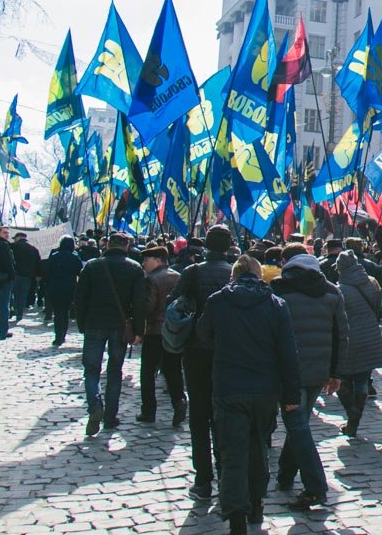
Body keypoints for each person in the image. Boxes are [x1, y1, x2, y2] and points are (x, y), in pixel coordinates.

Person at [197, 254, 301, 535]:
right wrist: (291, 394)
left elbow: (202, 335)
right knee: (258, 448)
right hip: (265, 389)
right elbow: (288, 353)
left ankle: (237, 517)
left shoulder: (218, 301)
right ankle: (256, 504)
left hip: (229, 387)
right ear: (259, 275)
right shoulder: (276, 304)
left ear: (233, 275)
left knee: (232, 453)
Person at [270, 250, 348, 511]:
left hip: (287, 371)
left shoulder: (278, 290)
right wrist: (336, 371)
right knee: (298, 423)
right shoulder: (332, 291)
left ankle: (315, 487)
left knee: (298, 425)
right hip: (318, 370)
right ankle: (285, 474)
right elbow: (341, 335)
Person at [170, 225, 241, 500]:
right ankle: (224, 471)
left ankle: (202, 479)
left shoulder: (193, 271)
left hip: (196, 351)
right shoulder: (234, 273)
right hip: (228, 352)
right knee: (224, 412)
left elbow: (173, 303)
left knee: (199, 414)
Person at [73, 232, 147, 437]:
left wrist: (82, 324)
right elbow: (139, 303)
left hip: (94, 323)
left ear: (108, 245)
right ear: (126, 246)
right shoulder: (134, 268)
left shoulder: (92, 266)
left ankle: (95, 403)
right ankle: (110, 416)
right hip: (119, 325)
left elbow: (80, 298)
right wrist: (139, 330)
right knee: (115, 371)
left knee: (91, 369)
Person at [334, 250, 382, 438]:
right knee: (362, 379)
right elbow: (378, 307)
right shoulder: (372, 283)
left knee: (342, 379)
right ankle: (354, 420)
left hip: (348, 338)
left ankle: (351, 412)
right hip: (370, 335)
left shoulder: (339, 289)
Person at [137, 246, 186, 426]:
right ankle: (179, 401)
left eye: (147, 260)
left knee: (148, 372)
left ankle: (148, 410)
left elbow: (148, 308)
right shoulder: (178, 276)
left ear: (158, 260)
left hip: (155, 332)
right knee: (173, 370)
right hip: (174, 332)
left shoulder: (151, 279)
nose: (144, 264)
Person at [45, 236, 83, 347]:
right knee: (65, 312)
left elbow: (48, 272)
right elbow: (80, 272)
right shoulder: (75, 257)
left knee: (57, 313)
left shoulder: (54, 256)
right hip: (69, 287)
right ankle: (63, 335)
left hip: (55, 286)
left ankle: (58, 336)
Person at [10, 231, 42, 320]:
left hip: (14, 274)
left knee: (11, 294)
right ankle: (19, 314)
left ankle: (12, 309)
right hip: (27, 276)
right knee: (23, 296)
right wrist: (38, 275)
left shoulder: (12, 247)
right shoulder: (33, 249)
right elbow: (38, 263)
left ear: (18, 238)